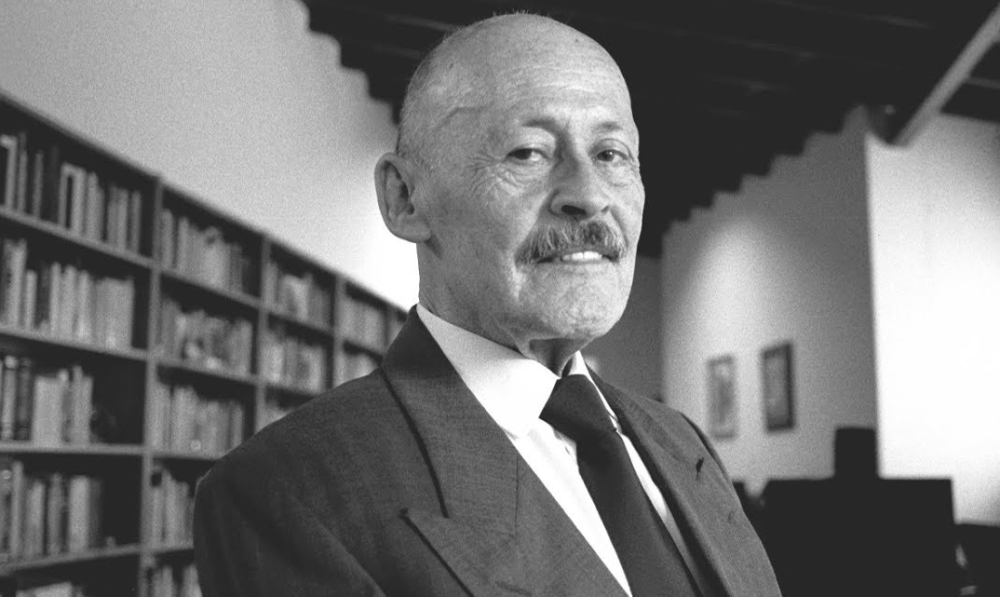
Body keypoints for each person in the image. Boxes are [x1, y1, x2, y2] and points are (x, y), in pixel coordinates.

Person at [193, 13, 781, 597]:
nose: (589, 195)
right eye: (528, 152)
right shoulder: (288, 491)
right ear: (405, 199)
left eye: (611, 154)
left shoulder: (681, 441)